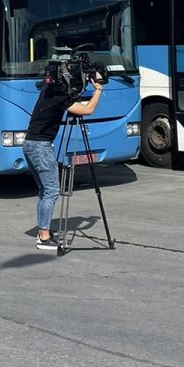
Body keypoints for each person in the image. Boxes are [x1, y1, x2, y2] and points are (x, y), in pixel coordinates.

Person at [23, 61, 106, 251]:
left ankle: (43, 231)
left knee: (44, 191)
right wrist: (99, 88)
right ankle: (44, 238)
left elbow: (73, 96)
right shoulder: (60, 96)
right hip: (41, 147)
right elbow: (88, 109)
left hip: (30, 144)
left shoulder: (49, 90)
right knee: (52, 191)